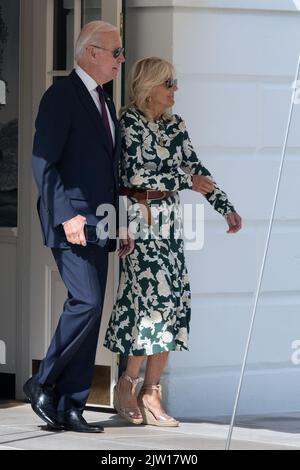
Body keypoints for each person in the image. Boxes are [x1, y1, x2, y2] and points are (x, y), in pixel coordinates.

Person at [104, 57, 242, 427]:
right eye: (169, 83)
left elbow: (196, 170)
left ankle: (151, 391)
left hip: (169, 224)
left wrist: (225, 207)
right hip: (139, 221)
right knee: (148, 302)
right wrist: (184, 183)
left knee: (172, 302)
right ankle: (129, 385)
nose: (175, 89)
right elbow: (134, 173)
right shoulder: (128, 121)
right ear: (150, 88)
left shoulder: (177, 125)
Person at [23, 21, 129, 433]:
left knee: (92, 309)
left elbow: (108, 169)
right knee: (84, 302)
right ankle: (43, 381)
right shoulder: (60, 97)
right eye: (116, 52)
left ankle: (70, 404)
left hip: (101, 222)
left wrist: (119, 221)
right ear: (91, 53)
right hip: (72, 220)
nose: (121, 59)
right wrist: (66, 214)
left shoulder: (106, 101)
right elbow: (42, 162)